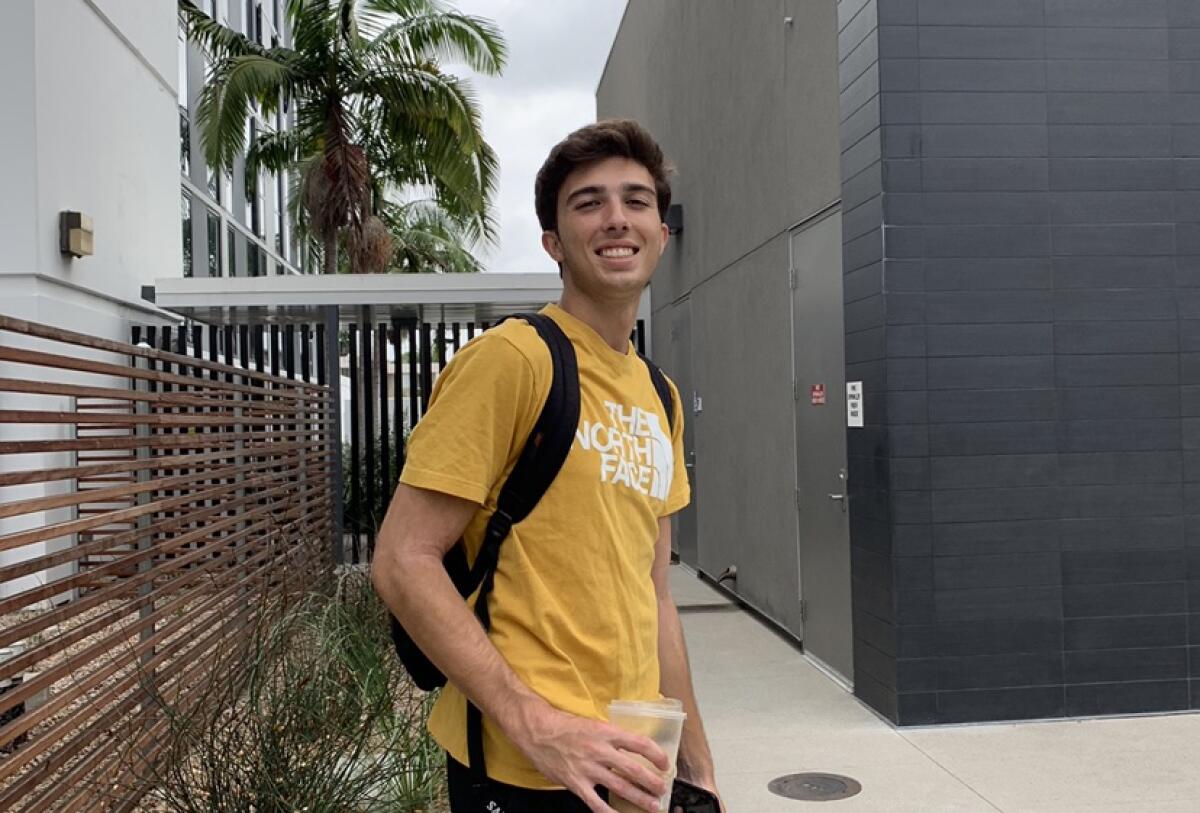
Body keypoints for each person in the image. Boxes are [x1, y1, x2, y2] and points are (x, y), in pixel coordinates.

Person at [372, 119, 722, 813]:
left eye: (636, 200)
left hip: (632, 758)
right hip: (523, 768)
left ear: (662, 232)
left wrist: (699, 766)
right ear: (554, 242)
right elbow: (401, 557)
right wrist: (534, 723)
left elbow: (653, 594)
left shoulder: (661, 396)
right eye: (588, 202)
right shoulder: (515, 361)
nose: (616, 218)